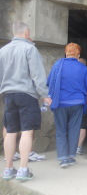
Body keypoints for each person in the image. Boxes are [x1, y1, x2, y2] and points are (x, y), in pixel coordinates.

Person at [0, 21, 52, 181]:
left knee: (10, 132)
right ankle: (23, 169)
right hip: (27, 95)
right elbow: (37, 74)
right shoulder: (30, 49)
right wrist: (44, 94)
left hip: (8, 95)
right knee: (27, 131)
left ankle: (8, 169)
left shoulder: (2, 51)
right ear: (27, 33)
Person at [47, 43, 87, 168]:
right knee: (74, 129)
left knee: (61, 130)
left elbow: (48, 81)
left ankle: (63, 159)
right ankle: (71, 156)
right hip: (77, 103)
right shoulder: (83, 68)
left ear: (66, 53)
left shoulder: (58, 65)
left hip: (60, 103)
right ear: (78, 55)